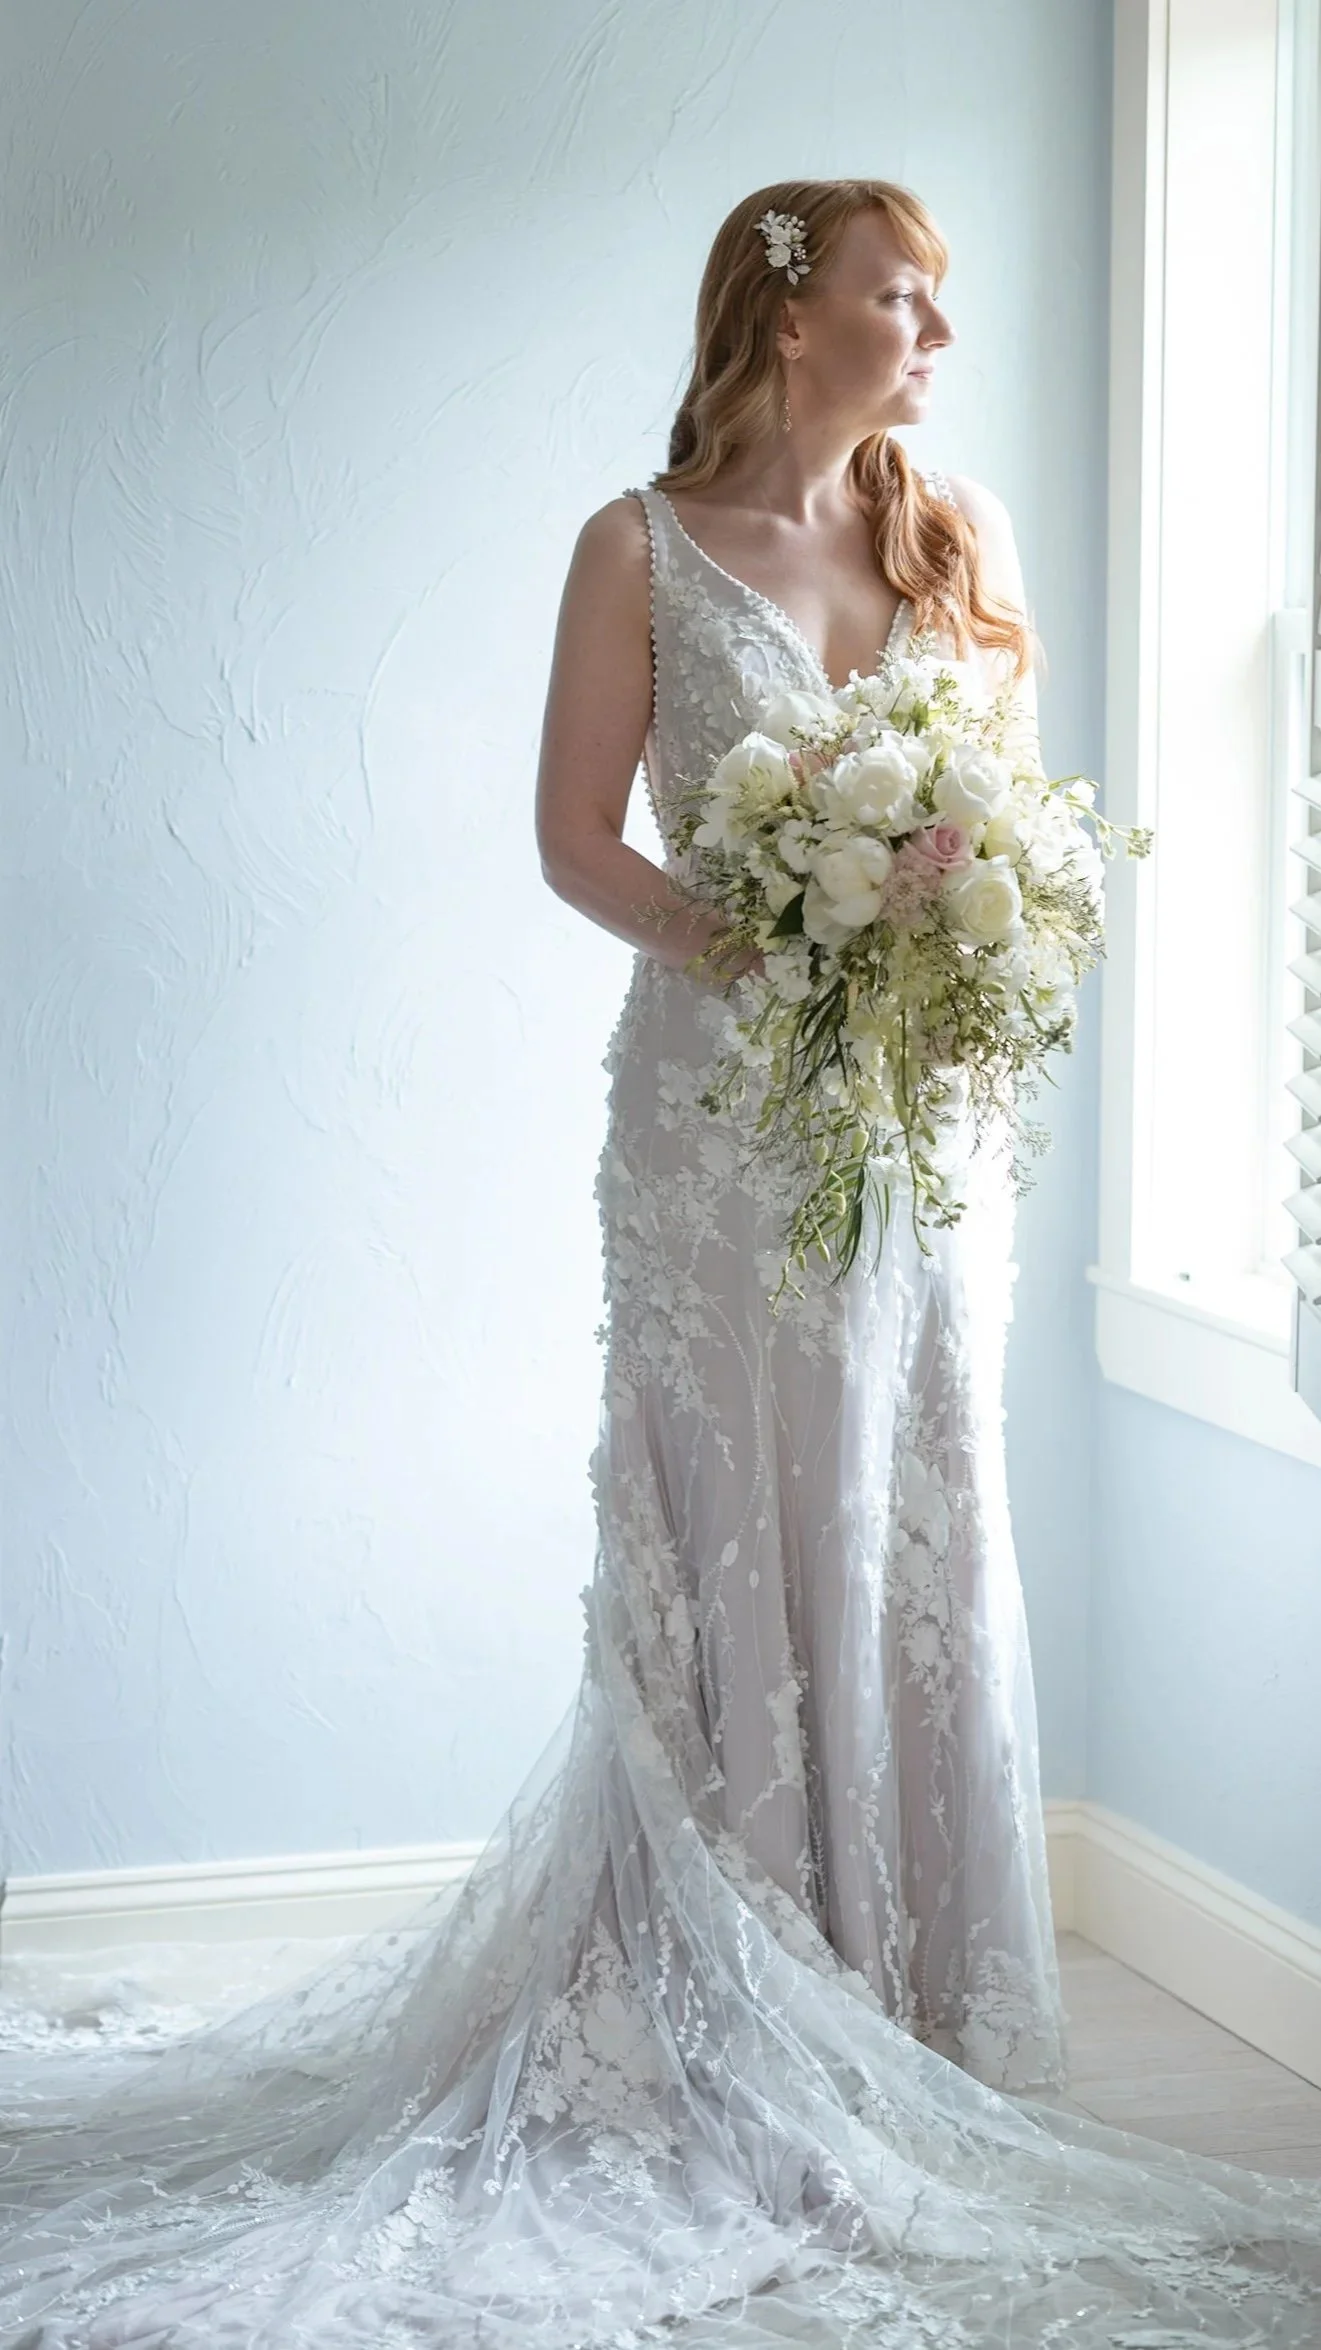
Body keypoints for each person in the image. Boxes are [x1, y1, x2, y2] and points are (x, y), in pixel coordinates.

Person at [1, 177, 1318, 2350]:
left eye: (939, 302)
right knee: (723, 1523)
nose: (937, 333)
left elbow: (1006, 799)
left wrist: (937, 906)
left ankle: (911, 2011)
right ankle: (716, 1993)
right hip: (714, 1115)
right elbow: (572, 839)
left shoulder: (948, 532)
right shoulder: (635, 544)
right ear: (794, 318)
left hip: (910, 1120)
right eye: (907, 297)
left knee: (913, 1507)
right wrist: (774, 933)